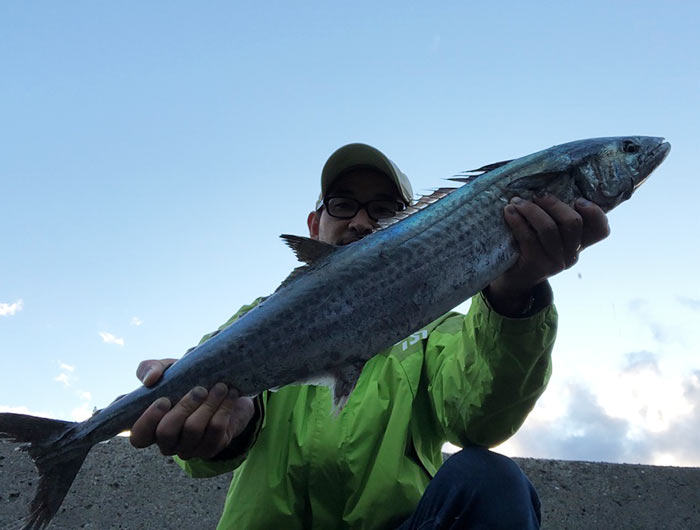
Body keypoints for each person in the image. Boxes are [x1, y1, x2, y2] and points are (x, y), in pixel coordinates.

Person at [130, 143, 610, 529]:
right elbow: (199, 448)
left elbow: (481, 421)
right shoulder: (257, 319)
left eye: (383, 210)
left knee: (491, 478)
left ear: (412, 228)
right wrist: (231, 420)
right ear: (314, 226)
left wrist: (513, 294)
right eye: (343, 206)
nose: (361, 221)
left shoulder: (436, 331)